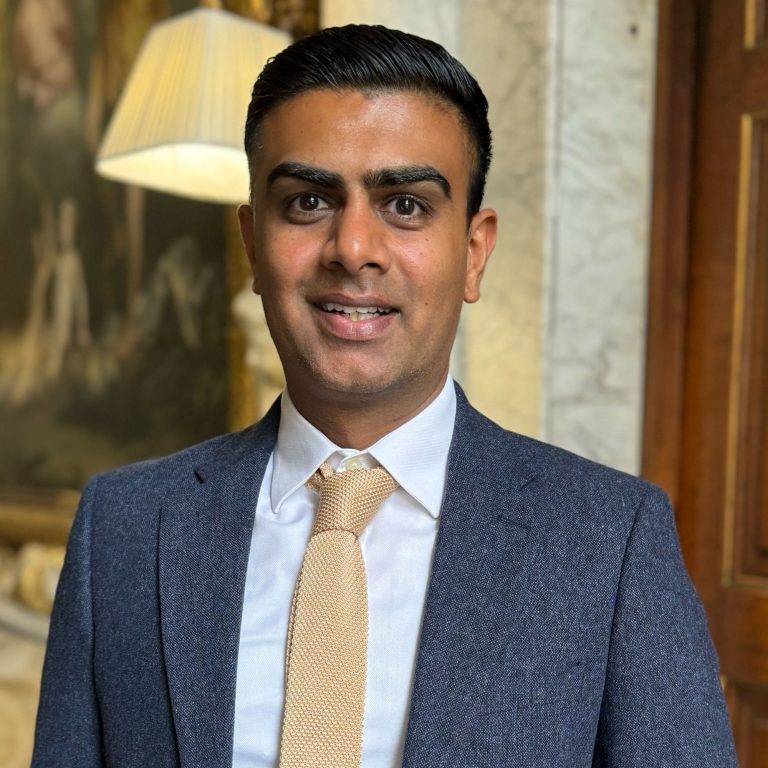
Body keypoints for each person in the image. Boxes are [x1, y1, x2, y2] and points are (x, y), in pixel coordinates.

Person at [32, 24, 737, 768]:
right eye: (308, 201)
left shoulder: (610, 541)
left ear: (474, 253)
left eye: (404, 205)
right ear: (252, 243)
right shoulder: (124, 530)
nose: (353, 248)